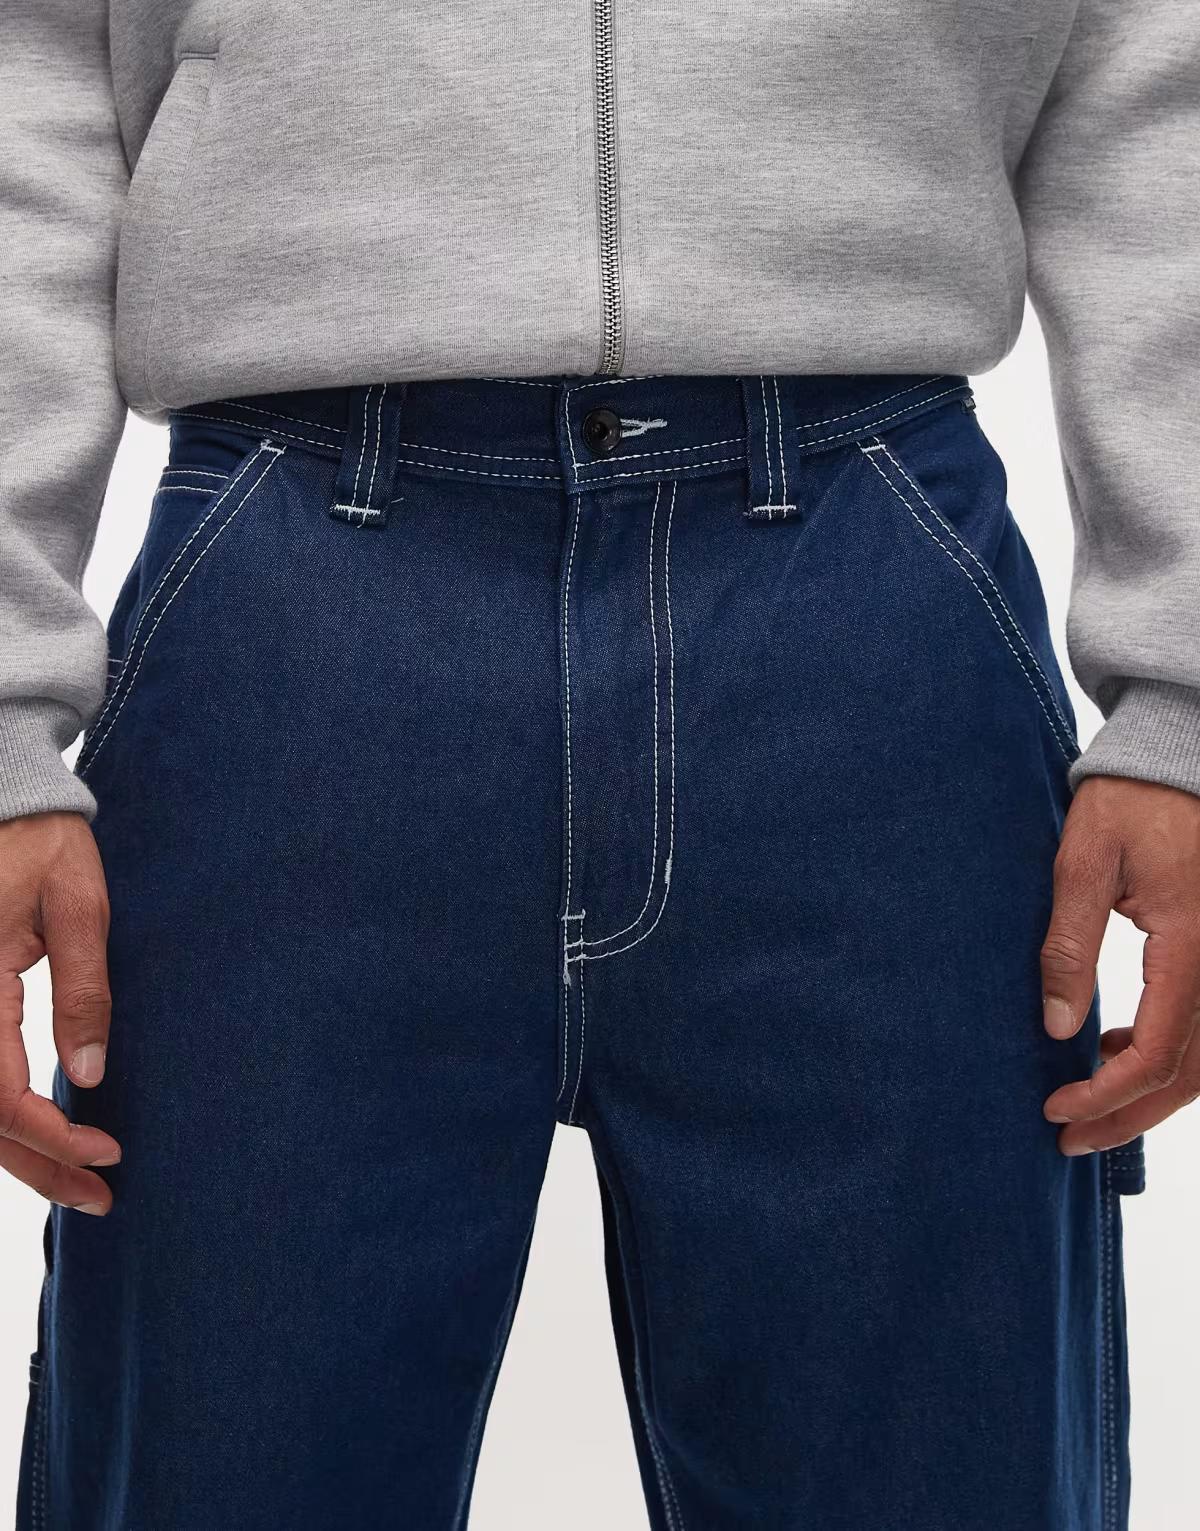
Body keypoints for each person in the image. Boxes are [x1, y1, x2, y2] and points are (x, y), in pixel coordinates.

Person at [2, 3, 1197, 1528]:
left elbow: (1155, 74)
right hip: (292, 617)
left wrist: (1187, 697)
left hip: (865, 601)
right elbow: (25, 84)